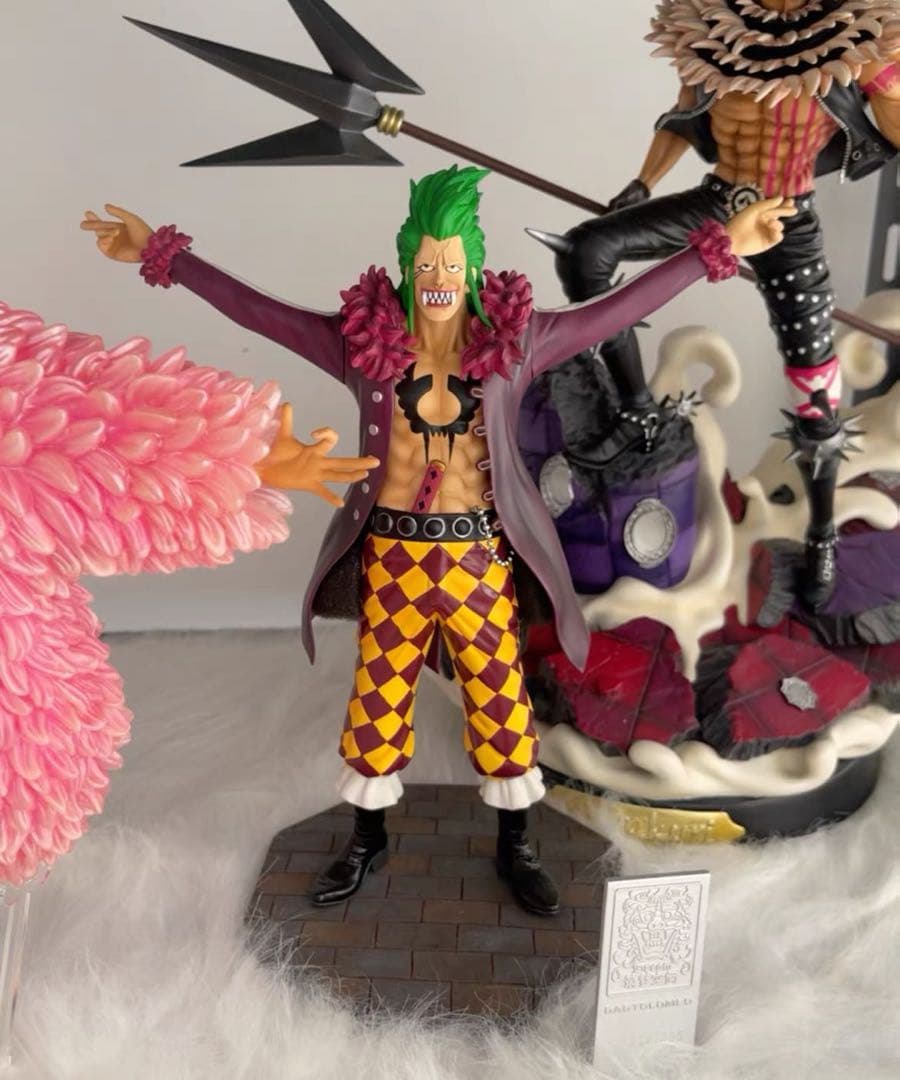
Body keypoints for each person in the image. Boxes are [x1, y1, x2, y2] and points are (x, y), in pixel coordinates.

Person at [82, 164, 792, 915]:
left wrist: (714, 248)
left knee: (500, 696)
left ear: (474, 268)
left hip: (479, 557)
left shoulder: (520, 342)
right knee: (377, 696)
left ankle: (516, 842)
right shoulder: (361, 344)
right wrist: (163, 256)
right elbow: (262, 313)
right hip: (393, 554)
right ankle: (368, 838)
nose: (439, 280)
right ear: (406, 269)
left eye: (451, 264)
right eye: (426, 266)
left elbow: (617, 308)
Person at [533, 0, 900, 611]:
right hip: (718, 202)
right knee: (587, 252)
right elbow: (682, 118)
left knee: (816, 385)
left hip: (786, 218)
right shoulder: (711, 28)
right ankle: (637, 411)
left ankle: (822, 532)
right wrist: (642, 184)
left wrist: (883, 70)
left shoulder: (852, 37)